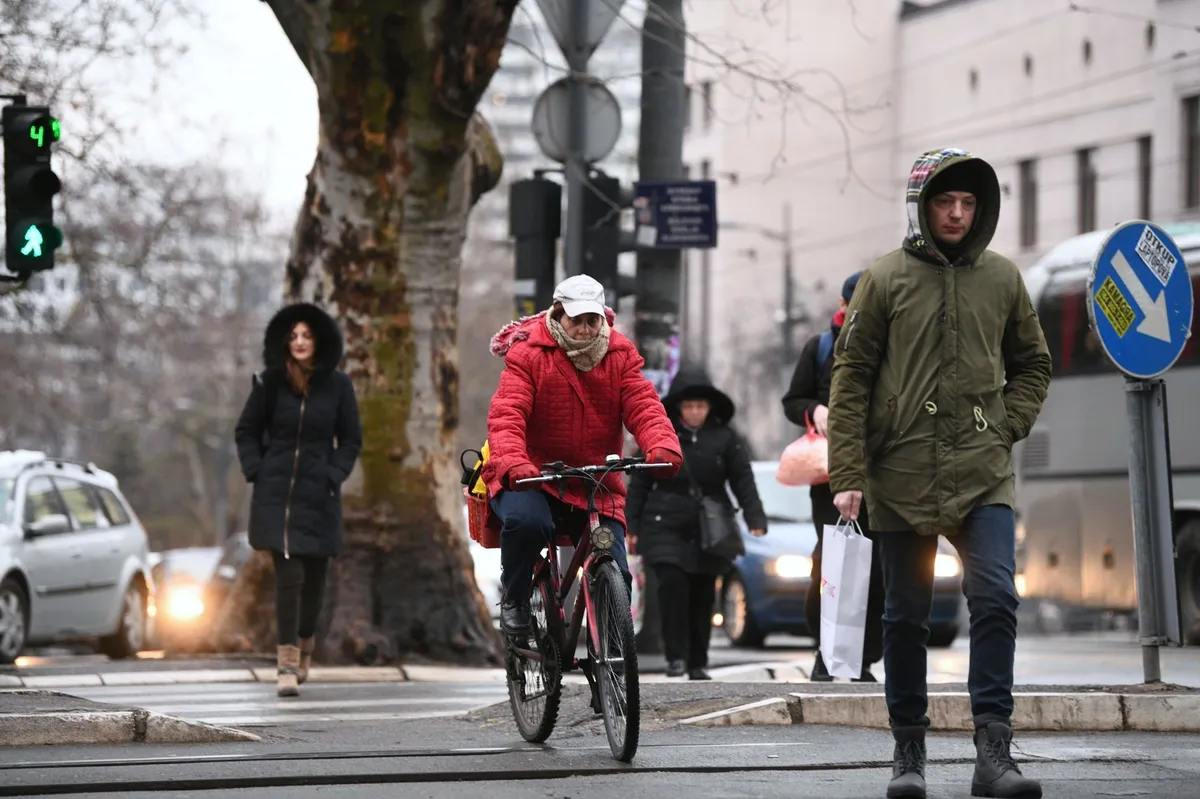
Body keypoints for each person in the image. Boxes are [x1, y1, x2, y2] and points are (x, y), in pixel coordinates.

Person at [827, 147, 1051, 799]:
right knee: (904, 616)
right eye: (945, 202)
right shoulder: (885, 279)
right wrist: (848, 471)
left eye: (968, 203)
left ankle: (994, 755)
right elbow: (851, 377)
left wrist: (1005, 425)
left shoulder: (1002, 278)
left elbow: (1033, 364)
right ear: (921, 206)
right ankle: (909, 755)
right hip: (900, 471)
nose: (956, 213)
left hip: (982, 471)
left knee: (996, 596)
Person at [483, 275, 683, 635]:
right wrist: (514, 461)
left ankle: (611, 650)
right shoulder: (528, 354)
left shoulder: (620, 355)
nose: (586, 329)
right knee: (529, 524)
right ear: (559, 315)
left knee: (616, 568)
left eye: (593, 321)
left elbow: (644, 406)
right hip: (533, 477)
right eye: (577, 320)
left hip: (594, 480)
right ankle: (515, 598)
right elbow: (507, 415)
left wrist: (662, 443)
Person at [234, 302, 362, 698]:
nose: (300, 342)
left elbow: (351, 439)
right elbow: (246, 431)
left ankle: (305, 647)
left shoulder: (338, 386)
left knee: (315, 585)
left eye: (306, 336)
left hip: (319, 497)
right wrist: (257, 470)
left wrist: (334, 475)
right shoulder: (268, 384)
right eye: (293, 336)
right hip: (276, 499)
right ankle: (286, 665)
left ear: (319, 340)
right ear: (284, 342)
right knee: (288, 580)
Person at [627, 365, 767, 680]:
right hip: (663, 521)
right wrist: (631, 525)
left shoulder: (726, 438)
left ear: (709, 407)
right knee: (671, 587)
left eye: (700, 406)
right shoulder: (659, 436)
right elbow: (640, 483)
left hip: (710, 526)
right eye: (688, 406)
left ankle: (698, 661)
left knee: (703, 593)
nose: (694, 412)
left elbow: (742, 479)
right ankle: (675, 657)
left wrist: (755, 516)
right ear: (678, 407)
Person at [781, 270, 884, 683]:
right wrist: (815, 410)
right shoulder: (821, 347)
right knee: (830, 565)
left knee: (877, 568)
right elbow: (793, 400)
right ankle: (825, 652)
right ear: (843, 305)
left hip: (883, 474)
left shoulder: (893, 344)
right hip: (831, 475)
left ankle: (863, 660)